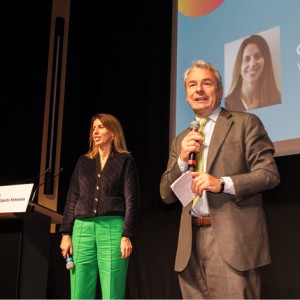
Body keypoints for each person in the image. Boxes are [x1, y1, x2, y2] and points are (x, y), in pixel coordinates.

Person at [160, 60, 280, 299]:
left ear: (221, 91)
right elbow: (166, 194)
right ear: (186, 96)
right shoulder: (181, 139)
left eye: (207, 83)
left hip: (231, 241)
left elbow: (269, 174)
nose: (199, 90)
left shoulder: (245, 124)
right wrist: (182, 160)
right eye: (192, 85)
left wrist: (222, 183)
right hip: (189, 245)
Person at [60, 113, 140, 299]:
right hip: (82, 230)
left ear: (113, 132)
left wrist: (127, 235)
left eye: (101, 127)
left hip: (113, 229)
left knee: (112, 290)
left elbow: (132, 201)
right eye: (94, 128)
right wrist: (66, 233)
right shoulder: (83, 161)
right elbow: (72, 198)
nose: (96, 131)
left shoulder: (125, 160)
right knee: (79, 290)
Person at [225, 34, 281, 111]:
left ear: (266, 62)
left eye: (257, 56)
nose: (252, 64)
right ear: (239, 67)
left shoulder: (276, 100)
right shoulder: (227, 105)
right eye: (247, 59)